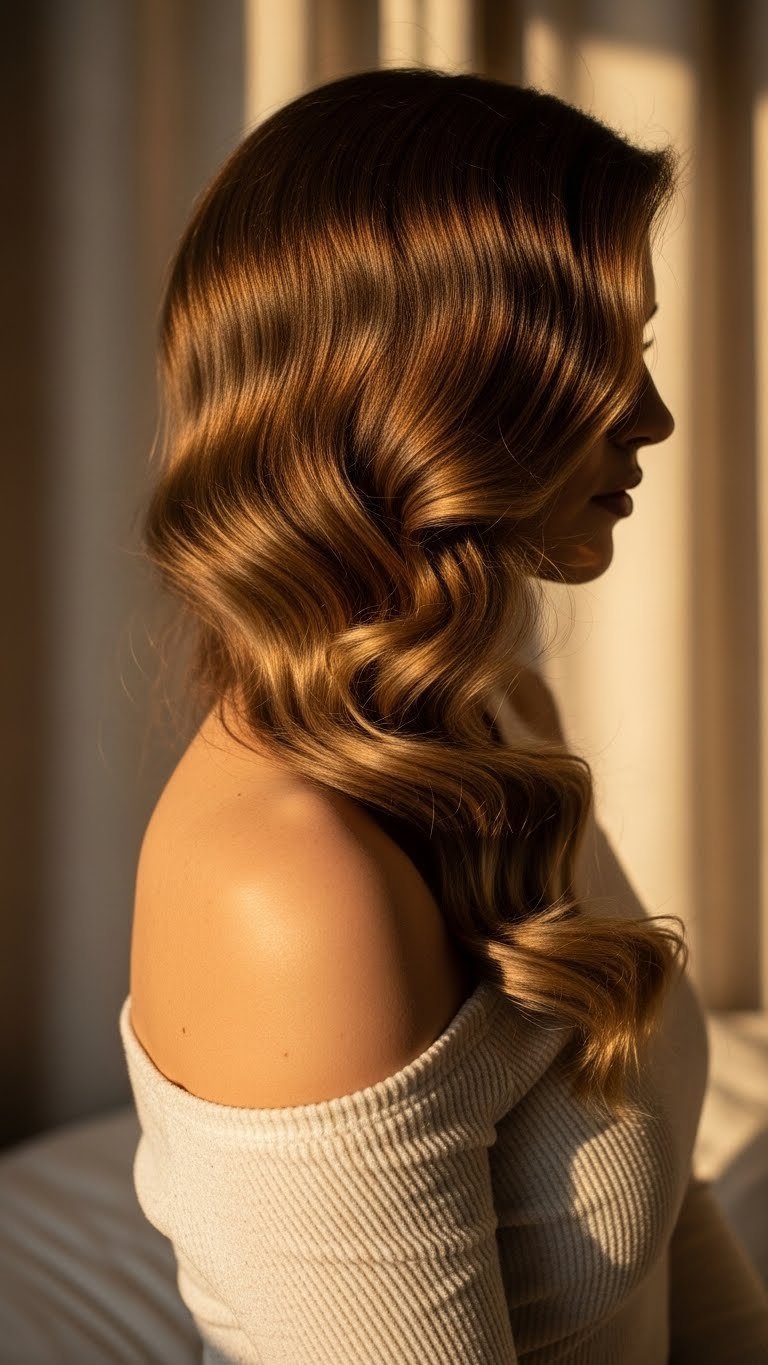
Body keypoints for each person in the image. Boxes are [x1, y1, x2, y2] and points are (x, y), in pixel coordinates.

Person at [119, 66, 768, 1362]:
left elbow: (665, 1197)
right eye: (595, 363)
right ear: (426, 391)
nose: (654, 417)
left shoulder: (490, 705)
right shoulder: (292, 888)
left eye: (636, 352)